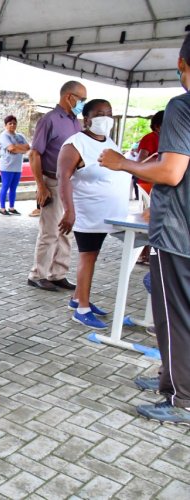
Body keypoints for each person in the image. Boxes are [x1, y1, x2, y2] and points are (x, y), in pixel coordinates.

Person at [98, 32, 190, 425]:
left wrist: (125, 164)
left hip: (180, 234)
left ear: (183, 66)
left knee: (174, 317)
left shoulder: (182, 107)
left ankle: (179, 397)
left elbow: (171, 172)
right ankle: (169, 377)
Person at [57, 99, 131, 330]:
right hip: (87, 212)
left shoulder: (110, 142)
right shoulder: (75, 144)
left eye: (109, 113)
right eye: (99, 113)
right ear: (86, 119)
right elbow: (63, 177)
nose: (105, 118)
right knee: (87, 258)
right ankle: (82, 310)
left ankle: (79, 298)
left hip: (107, 214)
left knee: (93, 256)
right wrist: (69, 210)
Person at [27, 80, 87, 292]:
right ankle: (38, 274)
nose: (83, 103)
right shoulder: (50, 120)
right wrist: (41, 186)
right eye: (82, 99)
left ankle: (58, 273)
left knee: (66, 231)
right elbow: (35, 154)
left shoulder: (75, 122)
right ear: (69, 97)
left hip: (70, 182)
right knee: (50, 231)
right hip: (51, 180)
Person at [135, 111, 164, 265]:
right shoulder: (150, 138)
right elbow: (141, 161)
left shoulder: (166, 139)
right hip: (147, 184)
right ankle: (143, 254)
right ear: (158, 126)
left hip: (157, 184)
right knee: (147, 220)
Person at [0, 114, 30, 215]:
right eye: (10, 123)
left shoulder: (20, 136)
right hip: (7, 166)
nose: (12, 125)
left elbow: (27, 148)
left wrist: (16, 148)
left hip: (17, 166)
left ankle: (12, 207)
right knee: (5, 186)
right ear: (5, 125)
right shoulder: (4, 136)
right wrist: (19, 148)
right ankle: (2, 208)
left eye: (14, 123)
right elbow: (11, 148)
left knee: (14, 188)